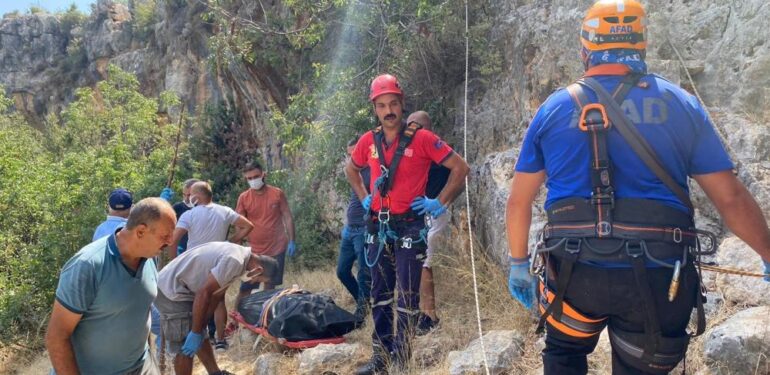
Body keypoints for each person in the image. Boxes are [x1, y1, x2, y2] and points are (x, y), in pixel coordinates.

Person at [505, 1, 770, 374]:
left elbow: (519, 202)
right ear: (640, 43)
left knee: (564, 353)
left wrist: (519, 263)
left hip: (574, 273)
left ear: (585, 48)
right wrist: (767, 252)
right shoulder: (680, 103)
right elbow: (730, 197)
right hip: (659, 273)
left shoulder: (553, 108)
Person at [346, 74, 470, 375]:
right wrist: (363, 196)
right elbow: (351, 168)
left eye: (393, 104)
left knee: (408, 295)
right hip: (379, 226)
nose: (388, 111)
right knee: (380, 294)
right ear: (375, 109)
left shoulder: (423, 139)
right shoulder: (368, 141)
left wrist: (439, 202)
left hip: (410, 226)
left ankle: (402, 358)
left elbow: (460, 168)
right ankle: (381, 357)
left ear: (402, 104)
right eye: (382, 105)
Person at [46, 198, 176, 375]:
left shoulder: (149, 258)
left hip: (142, 367)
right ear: (140, 231)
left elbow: (140, 313)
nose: (170, 242)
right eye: (165, 236)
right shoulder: (87, 266)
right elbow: (56, 337)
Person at [155, 242, 278, 375]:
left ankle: (215, 373)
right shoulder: (235, 260)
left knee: (199, 331)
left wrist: (201, 326)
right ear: (258, 270)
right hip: (170, 289)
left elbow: (216, 295)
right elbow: (204, 293)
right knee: (184, 341)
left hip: (182, 288)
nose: (254, 282)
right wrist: (195, 331)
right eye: (258, 280)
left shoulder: (241, 260)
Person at [166, 181, 254, 351]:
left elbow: (173, 240)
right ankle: (220, 340)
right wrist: (231, 242)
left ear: (197, 197)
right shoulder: (224, 211)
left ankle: (197, 338)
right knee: (218, 301)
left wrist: (174, 262)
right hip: (220, 261)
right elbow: (248, 226)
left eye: (190, 195)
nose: (188, 198)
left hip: (196, 263)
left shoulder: (189, 215)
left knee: (194, 301)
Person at [407, 111, 450, 335]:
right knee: (419, 263)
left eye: (413, 126)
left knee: (424, 264)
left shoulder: (438, 150)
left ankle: (430, 316)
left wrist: (441, 201)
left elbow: (460, 173)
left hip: (434, 213)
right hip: (419, 213)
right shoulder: (415, 151)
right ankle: (422, 312)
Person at [234, 161, 296, 304]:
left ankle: (264, 315)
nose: (253, 180)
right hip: (254, 253)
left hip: (277, 249)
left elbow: (287, 216)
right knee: (246, 288)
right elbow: (239, 224)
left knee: (270, 286)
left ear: (263, 175)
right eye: (249, 178)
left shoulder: (277, 194)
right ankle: (236, 316)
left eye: (255, 176)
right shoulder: (244, 198)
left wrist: (292, 240)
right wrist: (238, 248)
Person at [337, 138, 372, 323]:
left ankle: (362, 312)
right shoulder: (353, 171)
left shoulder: (372, 170)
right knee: (342, 271)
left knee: (364, 272)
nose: (352, 158)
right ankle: (363, 302)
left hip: (364, 229)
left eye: (354, 153)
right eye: (349, 154)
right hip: (350, 229)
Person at [171, 178, 200, 255]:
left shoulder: (205, 209)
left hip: (199, 250)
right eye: (184, 195)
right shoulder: (178, 208)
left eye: (189, 195)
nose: (186, 199)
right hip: (181, 250)